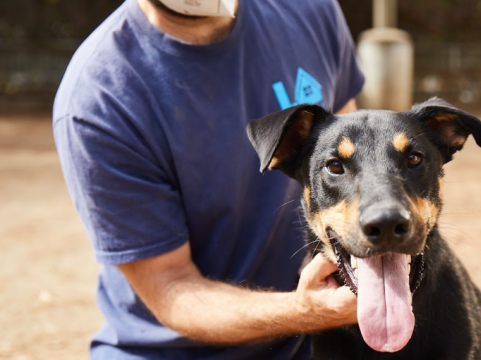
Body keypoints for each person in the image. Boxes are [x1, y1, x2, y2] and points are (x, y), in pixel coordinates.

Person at [53, 0, 365, 358]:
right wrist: (304, 310)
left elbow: (348, 157)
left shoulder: (310, 9)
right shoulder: (100, 100)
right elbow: (171, 287)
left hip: (309, 342)